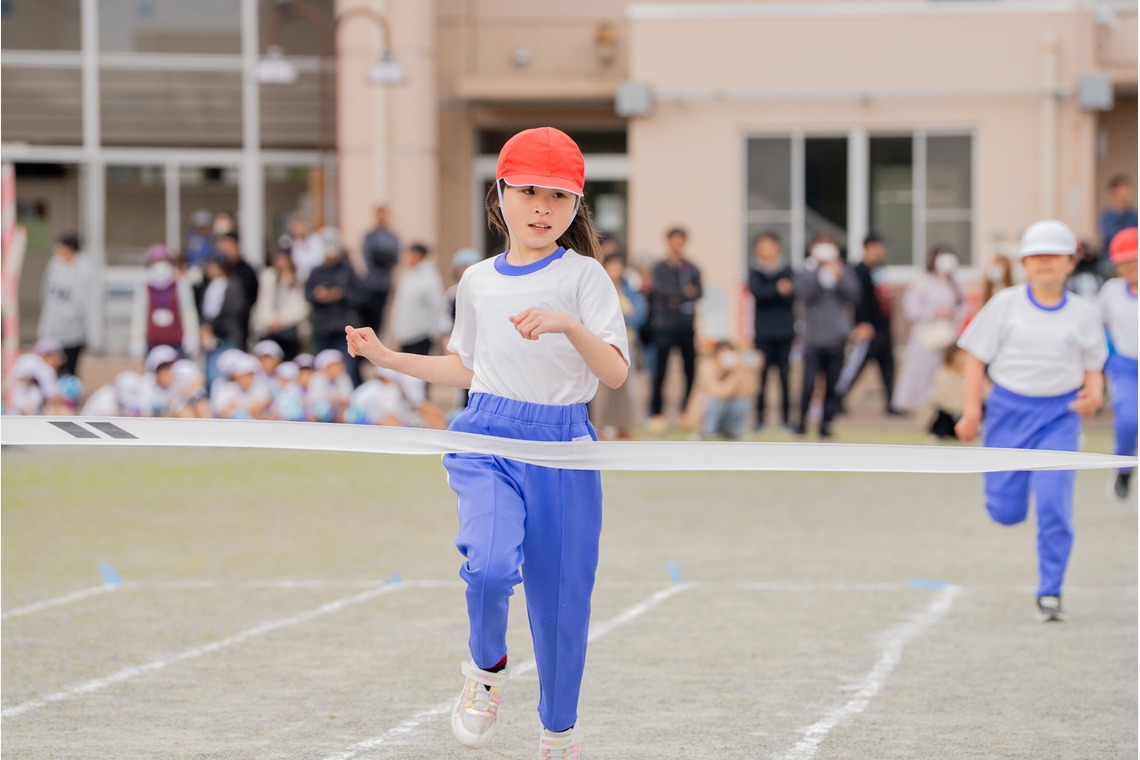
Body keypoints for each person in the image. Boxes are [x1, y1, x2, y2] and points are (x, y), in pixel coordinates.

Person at [346, 126, 628, 759]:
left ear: (576, 207)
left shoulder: (586, 278)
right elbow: (469, 371)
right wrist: (387, 356)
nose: (541, 209)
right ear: (499, 195)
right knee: (490, 564)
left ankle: (558, 735)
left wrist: (567, 325)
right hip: (488, 435)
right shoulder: (474, 281)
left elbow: (612, 372)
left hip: (563, 444)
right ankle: (485, 671)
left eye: (558, 198)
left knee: (561, 605)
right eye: (528, 192)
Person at [955, 219, 1107, 623]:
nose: (1044, 264)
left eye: (1053, 257)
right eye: (1036, 257)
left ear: (1070, 263)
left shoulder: (1084, 313)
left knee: (1055, 505)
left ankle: (1050, 592)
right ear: (1024, 263)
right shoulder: (1005, 304)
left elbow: (1093, 365)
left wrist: (1093, 395)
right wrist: (973, 411)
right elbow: (974, 358)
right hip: (1007, 412)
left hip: (1059, 417)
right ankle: (1005, 501)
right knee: (1006, 512)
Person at [793, 240, 859, 437]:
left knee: (832, 382)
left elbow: (853, 294)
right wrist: (818, 270)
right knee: (808, 383)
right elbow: (804, 293)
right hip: (813, 337)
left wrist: (838, 276)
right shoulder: (806, 273)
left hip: (837, 337)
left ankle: (826, 423)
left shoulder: (843, 272)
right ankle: (802, 421)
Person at [893, 246, 965, 413]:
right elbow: (911, 308)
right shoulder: (923, 281)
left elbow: (964, 307)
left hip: (947, 335)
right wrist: (934, 312)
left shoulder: (954, 284)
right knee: (921, 371)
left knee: (943, 372)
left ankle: (940, 405)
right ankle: (916, 405)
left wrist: (952, 312)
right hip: (926, 335)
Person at [840, 233, 900, 416]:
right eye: (876, 247)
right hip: (868, 327)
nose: (879, 251)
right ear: (866, 248)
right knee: (856, 366)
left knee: (888, 366)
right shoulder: (858, 270)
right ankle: (837, 399)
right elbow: (859, 301)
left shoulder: (880, 271)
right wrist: (861, 323)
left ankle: (891, 403)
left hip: (883, 327)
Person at [647, 227, 702, 429]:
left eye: (681, 241)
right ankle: (657, 413)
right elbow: (663, 293)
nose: (677, 245)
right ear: (668, 242)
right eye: (674, 241)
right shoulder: (660, 268)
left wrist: (679, 296)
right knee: (660, 372)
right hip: (664, 327)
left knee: (690, 370)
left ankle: (685, 412)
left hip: (687, 327)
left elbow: (698, 293)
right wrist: (684, 293)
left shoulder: (692, 268)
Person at [1099, 227, 1138, 500]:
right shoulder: (1111, 291)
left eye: (1133, 261)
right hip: (1125, 366)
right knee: (1128, 421)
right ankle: (1124, 470)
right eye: (1122, 263)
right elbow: (1094, 325)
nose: (1128, 267)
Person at [591, 251, 648, 439]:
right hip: (603, 342)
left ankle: (624, 425)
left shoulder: (628, 289)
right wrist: (623, 316)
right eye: (613, 265)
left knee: (626, 386)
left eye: (619, 265)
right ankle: (600, 426)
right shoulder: (597, 287)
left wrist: (626, 318)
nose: (616, 269)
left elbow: (639, 313)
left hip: (627, 342)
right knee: (603, 387)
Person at [747, 230, 796, 431]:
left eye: (768, 247)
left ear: (777, 247)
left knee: (785, 377)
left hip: (784, 332)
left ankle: (786, 420)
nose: (764, 251)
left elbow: (792, 295)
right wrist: (777, 289)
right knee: (761, 377)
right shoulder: (755, 271)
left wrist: (775, 291)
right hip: (763, 333)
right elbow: (758, 294)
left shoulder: (788, 270)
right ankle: (759, 419)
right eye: (761, 248)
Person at [37, 233, 100, 378]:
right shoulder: (54, 265)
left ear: (70, 249)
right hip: (53, 330)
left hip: (74, 331)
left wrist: (94, 337)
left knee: (70, 368)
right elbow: (47, 297)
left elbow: (90, 305)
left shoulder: (85, 270)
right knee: (51, 369)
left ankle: (69, 396)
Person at [305, 227, 364, 381]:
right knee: (321, 372)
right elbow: (307, 295)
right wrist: (318, 295)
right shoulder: (316, 271)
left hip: (342, 328)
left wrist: (340, 294)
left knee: (347, 371)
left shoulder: (348, 270)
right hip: (322, 328)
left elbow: (360, 296)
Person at [129, 244, 200, 360]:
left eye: (162, 260)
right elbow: (139, 314)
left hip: (177, 341)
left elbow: (188, 310)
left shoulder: (180, 284)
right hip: (152, 342)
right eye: (156, 261)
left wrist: (191, 334)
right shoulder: (144, 286)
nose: (160, 265)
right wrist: (137, 339)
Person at [196, 253, 248, 388]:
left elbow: (233, 310)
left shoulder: (233, 285)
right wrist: (204, 328)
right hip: (211, 336)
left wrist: (212, 326)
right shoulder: (208, 286)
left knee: (226, 372)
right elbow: (204, 311)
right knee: (211, 373)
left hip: (227, 335)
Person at [252, 248, 310, 360]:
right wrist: (269, 320)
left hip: (290, 331)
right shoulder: (268, 276)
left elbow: (302, 307)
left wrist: (282, 320)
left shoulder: (299, 276)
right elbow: (263, 302)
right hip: (269, 330)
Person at [390, 242, 445, 356]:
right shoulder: (409, 275)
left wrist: (434, 330)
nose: (406, 257)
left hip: (422, 334)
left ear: (418, 255)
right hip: (406, 334)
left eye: (409, 254)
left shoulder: (429, 275)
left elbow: (436, 304)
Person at [698, 341, 757, 440]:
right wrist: (733, 377)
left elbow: (749, 392)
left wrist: (745, 371)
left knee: (741, 403)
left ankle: (734, 432)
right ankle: (707, 433)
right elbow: (718, 393)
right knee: (714, 402)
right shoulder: (707, 366)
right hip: (705, 414)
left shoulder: (737, 369)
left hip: (728, 412)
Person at [360, 204, 401, 334]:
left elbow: (395, 259)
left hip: (384, 283)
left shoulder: (393, 237)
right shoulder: (369, 237)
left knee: (381, 317)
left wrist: (383, 259)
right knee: (369, 316)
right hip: (371, 283)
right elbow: (368, 258)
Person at [214, 231, 258, 349]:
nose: (225, 251)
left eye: (228, 247)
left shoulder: (246, 271)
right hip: (216, 330)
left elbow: (248, 300)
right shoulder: (215, 270)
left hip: (238, 328)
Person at [1099, 175, 1137, 261]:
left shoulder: (1134, 214)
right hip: (1112, 259)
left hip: (1132, 257)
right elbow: (1110, 237)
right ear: (1115, 191)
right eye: (1122, 190)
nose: (1126, 193)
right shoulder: (1108, 215)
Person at [286, 213, 325, 282]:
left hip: (319, 277)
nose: (297, 230)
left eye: (299, 227)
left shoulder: (317, 240)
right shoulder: (293, 244)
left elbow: (319, 260)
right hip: (302, 280)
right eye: (294, 228)